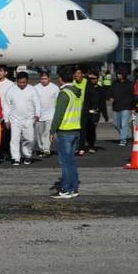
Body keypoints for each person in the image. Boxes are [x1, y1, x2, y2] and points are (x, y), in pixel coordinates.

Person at [49, 68, 84, 199]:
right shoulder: (77, 92)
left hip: (65, 131)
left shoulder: (64, 93)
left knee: (65, 162)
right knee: (71, 162)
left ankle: (65, 189)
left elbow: (58, 114)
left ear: (60, 79)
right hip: (75, 129)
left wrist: (52, 130)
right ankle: (73, 188)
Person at [4, 71, 41, 165]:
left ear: (27, 81)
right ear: (17, 81)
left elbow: (37, 103)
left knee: (29, 139)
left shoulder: (32, 89)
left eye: (24, 82)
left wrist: (37, 114)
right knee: (14, 139)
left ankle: (27, 155)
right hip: (14, 119)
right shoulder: (11, 90)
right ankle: (15, 158)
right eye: (20, 82)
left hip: (29, 119)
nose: (22, 84)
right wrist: (6, 120)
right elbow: (6, 106)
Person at [0, 65, 15, 163]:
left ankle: (7, 152)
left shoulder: (11, 84)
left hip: (6, 113)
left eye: (1, 71)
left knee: (6, 135)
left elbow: (11, 101)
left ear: (6, 73)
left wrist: (7, 115)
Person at [33, 70, 60, 157]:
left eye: (45, 79)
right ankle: (41, 148)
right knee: (39, 134)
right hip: (39, 115)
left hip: (50, 114)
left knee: (48, 132)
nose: (43, 80)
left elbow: (58, 101)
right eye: (42, 79)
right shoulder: (35, 88)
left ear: (49, 79)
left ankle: (46, 149)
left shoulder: (55, 88)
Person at [83, 69, 108, 153]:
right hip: (86, 111)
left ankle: (91, 146)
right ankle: (86, 144)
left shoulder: (100, 89)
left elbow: (102, 103)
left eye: (94, 78)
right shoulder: (86, 87)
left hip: (95, 113)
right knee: (86, 130)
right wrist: (88, 76)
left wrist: (105, 115)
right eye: (91, 78)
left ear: (97, 79)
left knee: (92, 130)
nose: (92, 80)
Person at [108, 70, 135, 146]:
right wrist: (110, 97)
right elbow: (110, 91)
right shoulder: (114, 83)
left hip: (126, 107)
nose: (118, 75)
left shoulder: (130, 84)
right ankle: (124, 135)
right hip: (116, 106)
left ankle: (123, 139)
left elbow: (133, 95)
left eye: (120, 74)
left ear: (124, 75)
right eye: (117, 74)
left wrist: (133, 106)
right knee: (116, 124)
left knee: (124, 124)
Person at [72, 66, 90, 155]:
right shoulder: (73, 83)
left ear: (82, 74)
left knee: (82, 130)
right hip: (74, 110)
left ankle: (81, 147)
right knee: (75, 130)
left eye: (79, 73)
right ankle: (75, 147)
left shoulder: (86, 82)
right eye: (76, 73)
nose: (77, 75)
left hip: (83, 109)